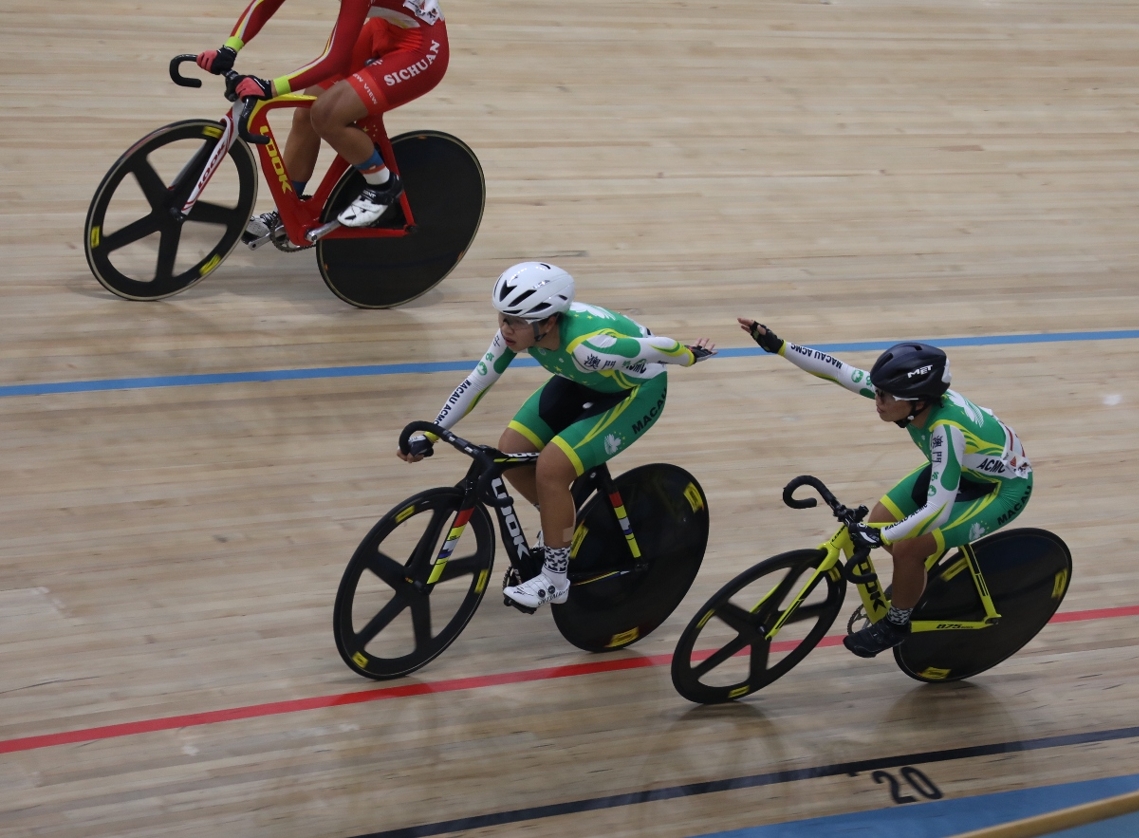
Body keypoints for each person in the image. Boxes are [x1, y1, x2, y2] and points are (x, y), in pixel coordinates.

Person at [400, 263, 716, 610]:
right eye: (503, 317)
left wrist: (690, 355)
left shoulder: (589, 347)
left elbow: (661, 346)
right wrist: (431, 434)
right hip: (583, 380)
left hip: (636, 392)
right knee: (511, 449)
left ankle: (555, 579)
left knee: (551, 468)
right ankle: (561, 523)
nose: (505, 328)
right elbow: (476, 382)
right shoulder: (519, 333)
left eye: (516, 321)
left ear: (549, 322)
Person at [738, 318, 1032, 658]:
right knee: (880, 518)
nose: (877, 400)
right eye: (877, 391)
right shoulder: (913, 401)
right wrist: (779, 346)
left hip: (1002, 491)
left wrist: (883, 537)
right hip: (965, 469)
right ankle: (917, 579)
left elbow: (937, 510)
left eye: (885, 396)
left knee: (906, 547)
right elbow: (840, 372)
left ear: (916, 402)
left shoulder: (946, 432)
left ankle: (897, 623)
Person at [195, 0, 448, 238]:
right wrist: (230, 48)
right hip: (385, 28)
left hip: (421, 48)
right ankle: (288, 213)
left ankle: (383, 185)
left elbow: (332, 60)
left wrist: (269, 87)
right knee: (306, 113)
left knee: (326, 114)